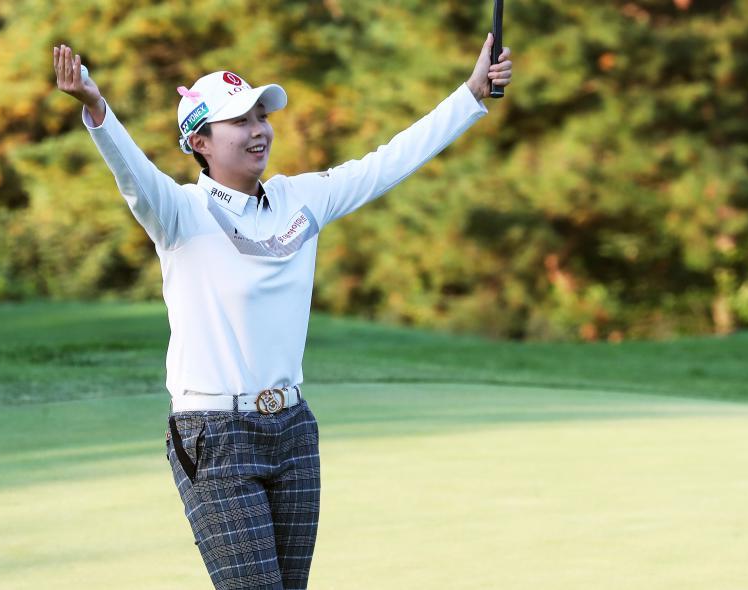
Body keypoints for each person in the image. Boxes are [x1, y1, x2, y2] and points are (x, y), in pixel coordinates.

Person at [53, 31, 511, 590]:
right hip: (213, 435)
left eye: (261, 117)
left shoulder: (301, 200)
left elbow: (388, 162)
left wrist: (471, 93)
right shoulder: (178, 212)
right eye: (239, 121)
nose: (258, 130)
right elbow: (132, 175)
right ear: (199, 142)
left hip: (293, 431)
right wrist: (97, 109)